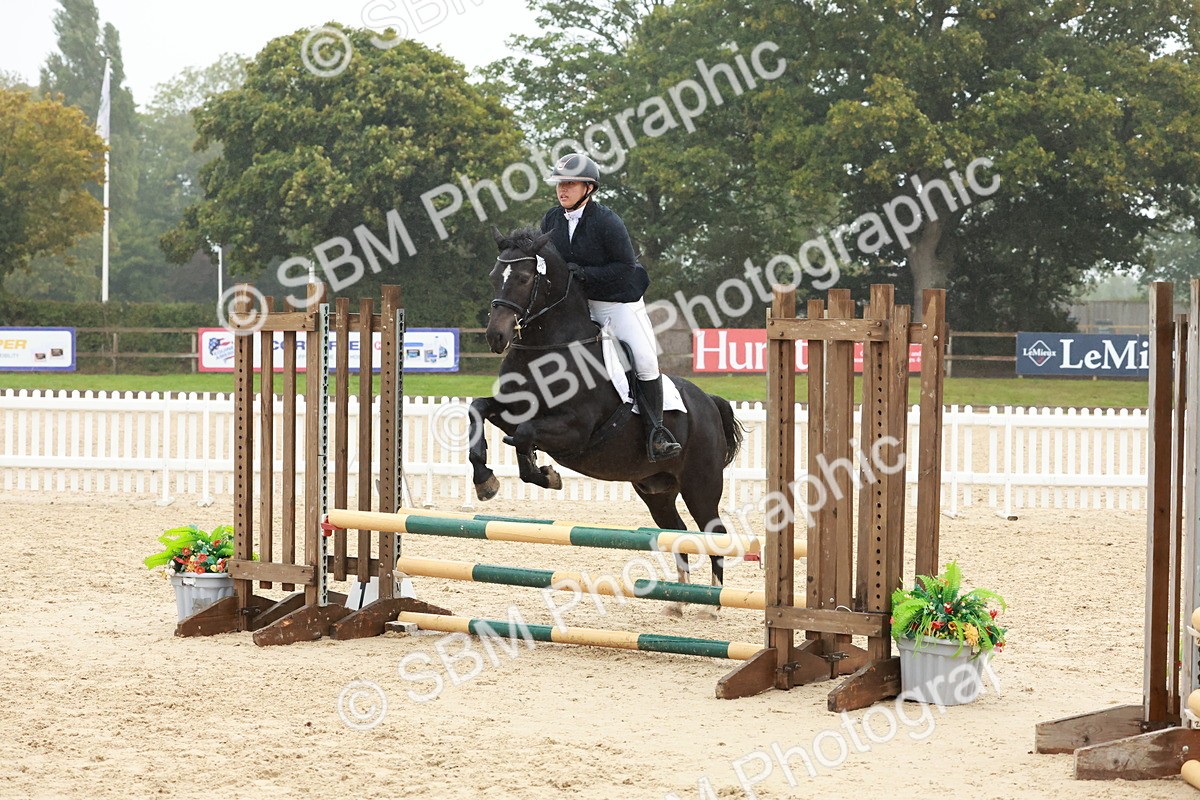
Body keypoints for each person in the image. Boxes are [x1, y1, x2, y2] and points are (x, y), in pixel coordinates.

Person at [539, 153, 682, 462]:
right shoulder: (551, 219)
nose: (562, 190)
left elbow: (625, 266)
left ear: (589, 188)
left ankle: (657, 432)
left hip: (618, 302)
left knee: (644, 360)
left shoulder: (606, 220)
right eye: (559, 184)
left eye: (570, 184)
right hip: (578, 306)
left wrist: (584, 273)